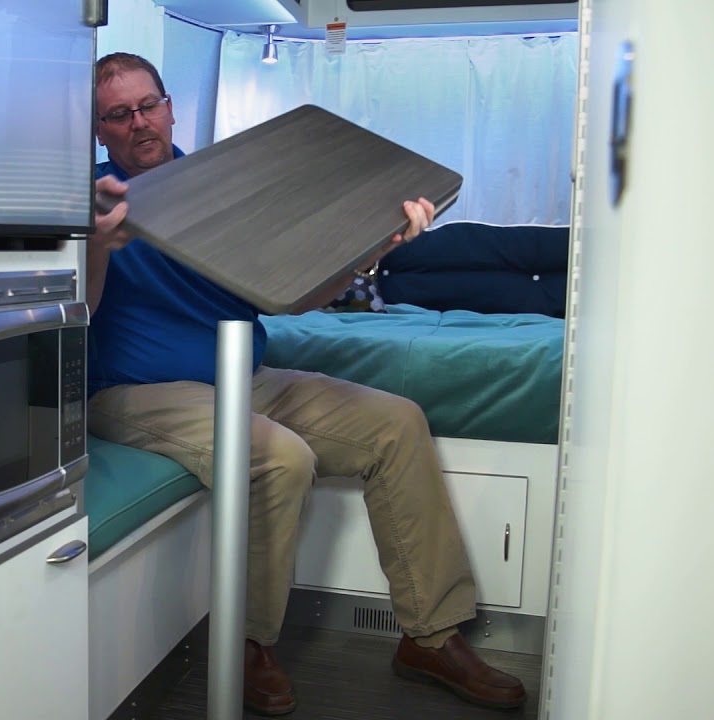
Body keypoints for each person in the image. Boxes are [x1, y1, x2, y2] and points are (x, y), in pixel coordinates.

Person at [87, 52, 526, 716]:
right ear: (100, 130)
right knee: (281, 457)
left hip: (242, 373)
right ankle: (245, 647)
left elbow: (297, 296)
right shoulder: (91, 200)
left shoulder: (219, 188)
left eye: (148, 105)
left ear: (170, 108)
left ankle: (431, 638)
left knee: (397, 422)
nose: (139, 122)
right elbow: (80, 312)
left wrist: (377, 248)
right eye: (119, 114)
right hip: (135, 390)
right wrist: (97, 243)